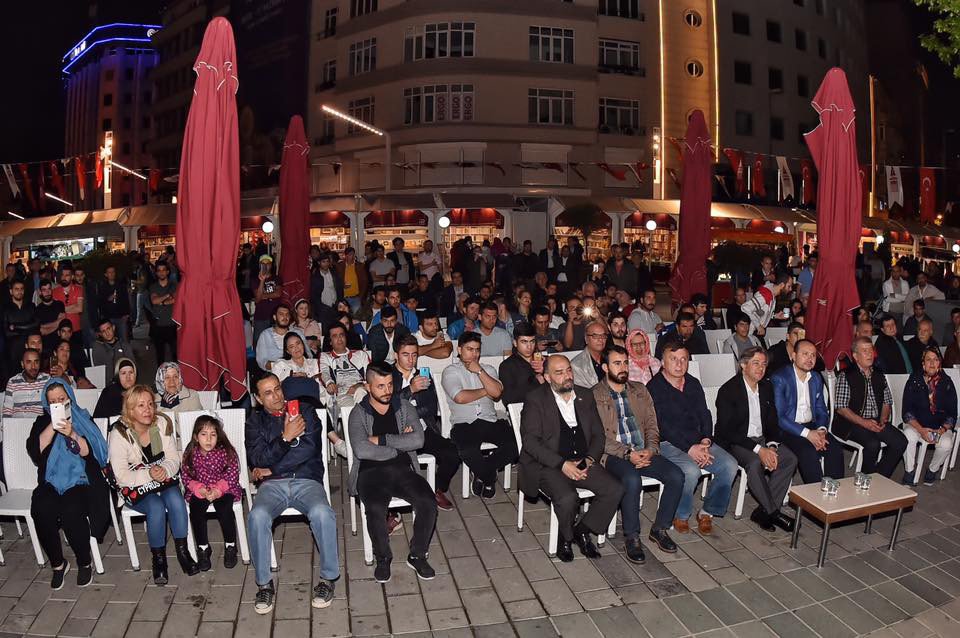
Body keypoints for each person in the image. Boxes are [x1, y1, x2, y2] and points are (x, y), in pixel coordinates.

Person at [245, 374, 339, 615]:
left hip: (306, 480)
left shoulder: (305, 410)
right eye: (268, 393)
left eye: (277, 389)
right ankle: (264, 584)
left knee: (322, 513)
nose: (276, 396)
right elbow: (257, 458)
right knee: (257, 517)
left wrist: (273, 467)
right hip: (272, 486)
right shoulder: (254, 422)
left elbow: (309, 449)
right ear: (258, 398)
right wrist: (286, 437)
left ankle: (328, 579)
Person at [518, 354, 623, 561]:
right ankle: (564, 538)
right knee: (568, 498)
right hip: (549, 464)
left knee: (615, 489)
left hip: (583, 460)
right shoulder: (536, 399)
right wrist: (562, 464)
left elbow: (598, 434)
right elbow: (530, 442)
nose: (567, 376)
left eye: (568, 370)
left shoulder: (584, 395)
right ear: (547, 377)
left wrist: (590, 460)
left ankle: (582, 530)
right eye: (559, 372)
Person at [348, 363, 437, 583]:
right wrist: (398, 446)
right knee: (376, 508)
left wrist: (382, 439)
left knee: (427, 501)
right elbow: (361, 449)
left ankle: (417, 554)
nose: (387, 391)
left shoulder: (404, 406)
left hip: (402, 469)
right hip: (370, 473)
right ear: (368, 387)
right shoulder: (357, 414)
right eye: (380, 386)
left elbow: (418, 439)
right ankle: (383, 558)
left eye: (389, 385)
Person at [593, 346, 680, 561]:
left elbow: (652, 424)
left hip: (643, 450)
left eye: (625, 363)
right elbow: (597, 438)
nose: (623, 368)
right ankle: (632, 537)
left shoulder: (640, 390)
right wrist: (627, 454)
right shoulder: (594, 395)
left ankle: (659, 529)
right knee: (632, 480)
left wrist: (651, 449)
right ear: (605, 367)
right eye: (616, 363)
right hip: (613, 455)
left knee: (676, 476)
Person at [108, 385, 198, 584]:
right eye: (141, 405)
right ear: (130, 410)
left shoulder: (162, 423)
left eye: (150, 403)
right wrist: (149, 473)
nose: (148, 409)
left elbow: (174, 458)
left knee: (175, 499)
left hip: (162, 478)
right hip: (135, 485)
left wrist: (164, 469)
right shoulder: (119, 434)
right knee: (156, 507)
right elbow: (121, 475)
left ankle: (183, 552)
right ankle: (159, 560)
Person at [646, 342, 738, 535]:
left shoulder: (693, 383)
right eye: (673, 359)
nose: (679, 364)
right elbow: (662, 425)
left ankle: (708, 511)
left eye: (684, 359)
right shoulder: (654, 387)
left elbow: (705, 414)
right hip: (667, 443)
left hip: (698, 441)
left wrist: (705, 440)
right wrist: (690, 448)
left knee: (729, 465)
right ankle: (681, 514)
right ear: (663, 362)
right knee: (690, 470)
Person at [27, 380, 110, 589]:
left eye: (61, 399)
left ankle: (84, 561)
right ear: (47, 404)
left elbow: (94, 452)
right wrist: (54, 425)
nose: (58, 403)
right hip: (52, 479)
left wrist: (72, 433)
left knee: (71, 510)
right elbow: (36, 451)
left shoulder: (82, 417)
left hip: (81, 478)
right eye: (53, 401)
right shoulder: (41, 422)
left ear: (70, 398)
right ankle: (58, 564)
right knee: (40, 507)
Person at [715, 348, 798, 533]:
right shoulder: (729, 390)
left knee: (789, 459)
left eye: (764, 364)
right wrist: (759, 450)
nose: (761, 368)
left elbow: (772, 420)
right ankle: (774, 512)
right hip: (735, 442)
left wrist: (771, 445)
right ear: (743, 365)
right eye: (756, 363)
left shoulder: (766, 387)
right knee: (754, 463)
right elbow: (728, 431)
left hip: (762, 439)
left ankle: (764, 511)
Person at [441, 332, 519, 498]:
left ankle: (481, 472)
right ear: (460, 350)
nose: (474, 354)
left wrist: (480, 372)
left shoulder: (488, 369)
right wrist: (486, 390)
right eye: (469, 349)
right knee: (468, 450)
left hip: (490, 420)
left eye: (477, 350)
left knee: (515, 446)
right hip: (464, 423)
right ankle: (489, 477)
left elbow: (497, 393)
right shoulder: (450, 371)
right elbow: (460, 397)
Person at [392, 336, 460, 510]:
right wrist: (410, 390)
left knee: (452, 452)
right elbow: (387, 405)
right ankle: (392, 505)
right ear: (396, 355)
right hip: (394, 432)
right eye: (405, 354)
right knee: (391, 462)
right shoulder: (387, 375)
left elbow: (430, 408)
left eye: (414, 355)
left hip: (421, 429)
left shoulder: (423, 374)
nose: (411, 359)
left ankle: (436, 489)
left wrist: (412, 419)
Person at [833, 337, 908, 477]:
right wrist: (864, 423)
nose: (869, 354)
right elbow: (841, 408)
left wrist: (883, 419)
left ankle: (879, 476)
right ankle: (866, 478)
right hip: (851, 423)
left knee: (900, 441)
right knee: (873, 444)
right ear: (855, 356)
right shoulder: (847, 375)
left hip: (875, 420)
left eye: (871, 350)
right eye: (865, 351)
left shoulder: (879, 374)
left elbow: (887, 401)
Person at [770, 339, 844, 484]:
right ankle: (815, 497)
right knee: (808, 452)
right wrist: (808, 434)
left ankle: (833, 491)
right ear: (793, 355)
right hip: (788, 429)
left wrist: (821, 430)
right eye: (805, 354)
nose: (810, 359)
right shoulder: (779, 378)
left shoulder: (816, 378)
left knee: (834, 448)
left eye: (813, 355)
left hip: (812, 425)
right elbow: (780, 417)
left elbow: (821, 409)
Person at [181, 414, 241, 570]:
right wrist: (197, 488)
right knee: (195, 510)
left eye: (213, 435)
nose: (208, 439)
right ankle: (203, 548)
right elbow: (185, 474)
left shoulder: (226, 451)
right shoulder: (190, 453)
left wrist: (218, 489)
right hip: (201, 490)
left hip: (223, 489)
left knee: (224, 509)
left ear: (218, 436)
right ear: (196, 437)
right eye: (203, 434)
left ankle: (230, 545)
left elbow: (233, 474)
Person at [901, 347, 957, 485]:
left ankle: (932, 470)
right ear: (923, 364)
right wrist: (921, 430)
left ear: (940, 363)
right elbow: (907, 411)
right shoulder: (914, 379)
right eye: (928, 359)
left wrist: (942, 430)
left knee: (946, 444)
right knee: (908, 436)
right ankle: (909, 471)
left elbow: (952, 413)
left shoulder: (947, 382)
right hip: (916, 424)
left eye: (935, 359)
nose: (932, 363)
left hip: (938, 427)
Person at [499, 322, 546, 406]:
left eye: (532, 342)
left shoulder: (544, 361)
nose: (529, 347)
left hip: (548, 407)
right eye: (524, 342)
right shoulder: (507, 366)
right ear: (515, 343)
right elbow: (508, 398)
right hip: (524, 410)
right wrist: (537, 382)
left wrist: (546, 371)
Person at [255, 304, 306, 371]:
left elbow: (308, 355)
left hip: (299, 371)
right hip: (274, 373)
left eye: (287, 314)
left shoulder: (297, 333)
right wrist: (280, 367)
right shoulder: (265, 335)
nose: (285, 317)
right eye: (281, 314)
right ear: (275, 317)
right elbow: (262, 361)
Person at [3, 348, 51, 418]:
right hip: (17, 424)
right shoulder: (13, 382)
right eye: (29, 362)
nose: (33, 366)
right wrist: (6, 427)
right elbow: (7, 410)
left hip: (39, 425)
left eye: (36, 362)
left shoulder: (47, 379)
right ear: (22, 364)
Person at [3, 279, 37, 368]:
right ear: (11, 291)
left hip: (31, 349)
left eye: (21, 289)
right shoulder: (4, 309)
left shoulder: (31, 306)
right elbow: (7, 333)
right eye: (16, 289)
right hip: (13, 350)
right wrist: (27, 328)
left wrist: (16, 326)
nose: (19, 291)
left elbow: (36, 325)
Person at [149, 262, 178, 364]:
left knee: (175, 354)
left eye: (163, 270)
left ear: (167, 272)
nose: (161, 273)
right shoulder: (153, 286)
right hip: (158, 325)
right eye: (159, 270)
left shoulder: (174, 285)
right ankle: (160, 378)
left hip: (172, 324)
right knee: (159, 355)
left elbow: (176, 300)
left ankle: (176, 377)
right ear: (156, 273)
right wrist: (167, 295)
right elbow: (154, 301)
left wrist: (163, 303)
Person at [96, 265, 131, 343]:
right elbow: (100, 302)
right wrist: (108, 299)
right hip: (109, 318)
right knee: (111, 340)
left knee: (124, 339)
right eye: (109, 272)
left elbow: (126, 299)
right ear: (106, 274)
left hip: (121, 317)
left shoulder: (121, 285)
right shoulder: (102, 287)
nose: (112, 274)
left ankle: (125, 354)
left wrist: (127, 314)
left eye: (113, 272)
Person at [571, 320, 609, 388]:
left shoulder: (610, 358)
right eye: (595, 336)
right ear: (586, 339)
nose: (600, 339)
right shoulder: (577, 365)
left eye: (603, 335)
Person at [51, 263, 85, 334]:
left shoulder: (79, 289)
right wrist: (73, 306)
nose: (64, 277)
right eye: (62, 275)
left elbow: (79, 308)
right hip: (60, 331)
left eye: (67, 275)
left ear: (72, 277)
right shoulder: (54, 292)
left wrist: (62, 309)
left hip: (76, 329)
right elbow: (55, 311)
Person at [35, 280, 66, 354]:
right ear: (40, 292)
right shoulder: (37, 310)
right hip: (46, 348)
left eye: (49, 289)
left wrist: (45, 326)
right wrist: (57, 323)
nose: (47, 292)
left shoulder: (59, 304)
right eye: (44, 290)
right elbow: (42, 331)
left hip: (60, 346)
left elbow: (62, 323)